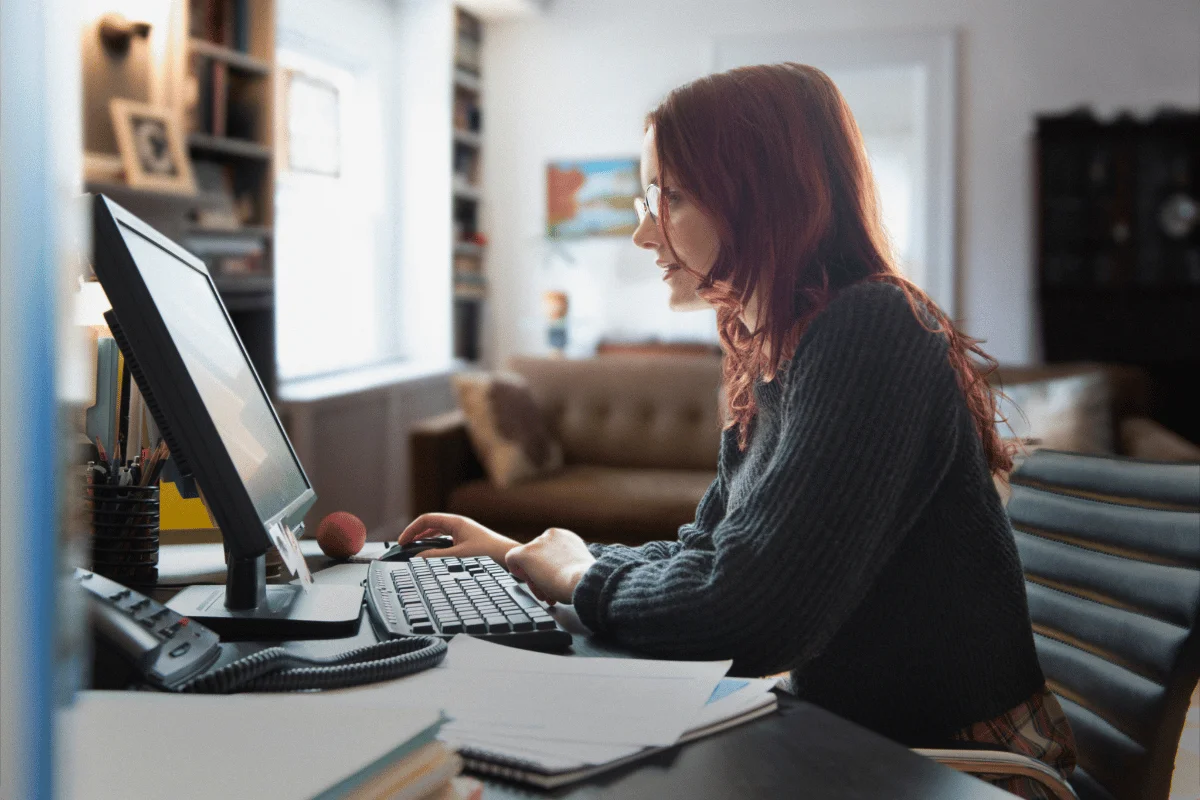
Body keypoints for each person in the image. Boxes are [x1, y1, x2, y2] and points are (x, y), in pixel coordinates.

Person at [399, 63, 1075, 798]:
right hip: (859, 739)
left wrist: (581, 575)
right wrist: (531, 556)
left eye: (671, 197)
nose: (641, 231)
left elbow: (749, 616)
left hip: (961, 768)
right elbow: (712, 553)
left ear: (763, 198)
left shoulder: (871, 328)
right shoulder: (775, 349)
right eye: (646, 197)